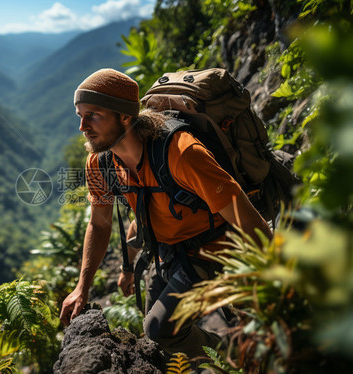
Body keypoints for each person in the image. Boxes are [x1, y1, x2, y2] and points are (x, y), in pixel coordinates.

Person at [59, 68, 273, 358]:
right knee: (156, 344)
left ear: (124, 116)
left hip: (214, 250)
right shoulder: (100, 162)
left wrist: (275, 286)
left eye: (93, 114)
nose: (82, 126)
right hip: (166, 253)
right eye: (79, 115)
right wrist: (87, 285)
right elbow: (100, 223)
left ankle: (233, 354)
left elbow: (249, 222)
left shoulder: (182, 153)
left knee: (160, 331)